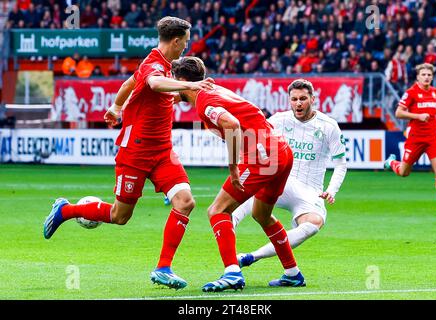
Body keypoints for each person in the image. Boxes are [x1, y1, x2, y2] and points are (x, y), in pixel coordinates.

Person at [43, 16, 214, 290]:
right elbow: (155, 84)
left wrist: (115, 108)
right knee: (119, 216)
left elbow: (127, 85)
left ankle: (163, 268)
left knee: (185, 201)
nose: (186, 46)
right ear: (177, 40)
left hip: (162, 152)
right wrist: (192, 85)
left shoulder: (162, 66)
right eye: (185, 42)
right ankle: (66, 210)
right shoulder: (154, 65)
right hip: (135, 151)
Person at [172, 56, 304, 292]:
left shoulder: (203, 101)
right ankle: (292, 273)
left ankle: (232, 273)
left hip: (261, 156)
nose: (171, 88)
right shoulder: (210, 88)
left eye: (173, 81)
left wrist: (233, 167)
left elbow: (231, 124)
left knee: (217, 210)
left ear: (183, 81)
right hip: (280, 151)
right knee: (262, 215)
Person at [233, 78, 347, 268]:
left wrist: (331, 190)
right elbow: (254, 140)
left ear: (313, 99)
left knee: (314, 223)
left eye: (303, 98)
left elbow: (341, 164)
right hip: (280, 182)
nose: (298, 103)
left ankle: (251, 257)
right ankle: (228, 239)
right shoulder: (279, 120)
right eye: (294, 99)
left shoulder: (328, 125)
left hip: (310, 190)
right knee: (243, 193)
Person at [384, 63, 436, 215]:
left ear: (432, 77)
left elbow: (430, 110)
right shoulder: (411, 92)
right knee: (404, 172)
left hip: (433, 135)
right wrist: (417, 116)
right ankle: (391, 162)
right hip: (416, 138)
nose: (426, 77)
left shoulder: (434, 91)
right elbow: (399, 112)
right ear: (418, 77)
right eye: (423, 75)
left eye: (429, 75)